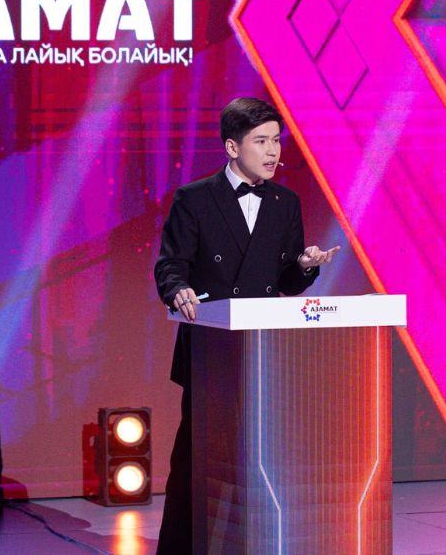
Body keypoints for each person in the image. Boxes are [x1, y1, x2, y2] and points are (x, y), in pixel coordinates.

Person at [153, 97, 339, 553]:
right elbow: (171, 264)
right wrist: (178, 289)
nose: (273, 151)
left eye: (276, 140)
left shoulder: (285, 202)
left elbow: (286, 282)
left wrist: (306, 266)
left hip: (264, 350)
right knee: (197, 460)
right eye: (261, 141)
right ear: (232, 147)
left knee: (262, 461)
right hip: (211, 349)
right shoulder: (195, 198)